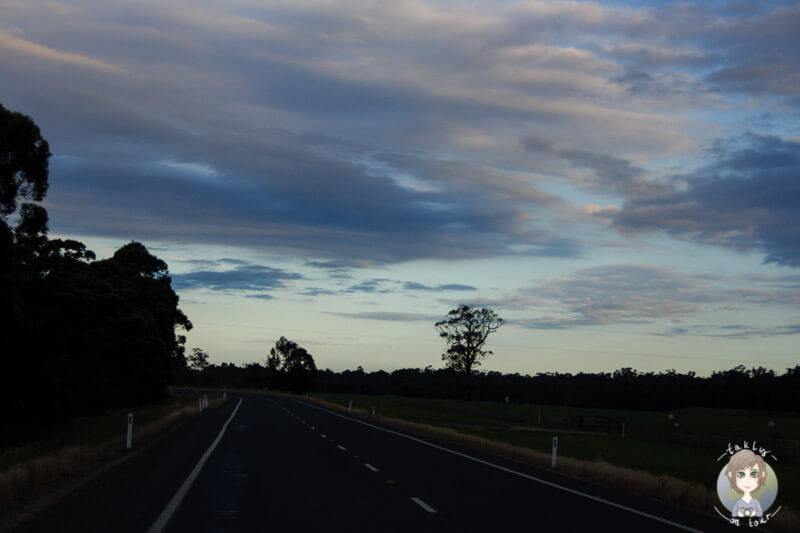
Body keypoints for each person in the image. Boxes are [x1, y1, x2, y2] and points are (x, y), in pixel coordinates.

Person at [725, 449, 767, 518]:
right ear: (731, 475)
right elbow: (734, 513)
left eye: (754, 474)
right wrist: (739, 513)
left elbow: (759, 513)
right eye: (741, 474)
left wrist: (753, 513)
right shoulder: (739, 502)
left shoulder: (755, 502)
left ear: (762, 475)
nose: (747, 480)